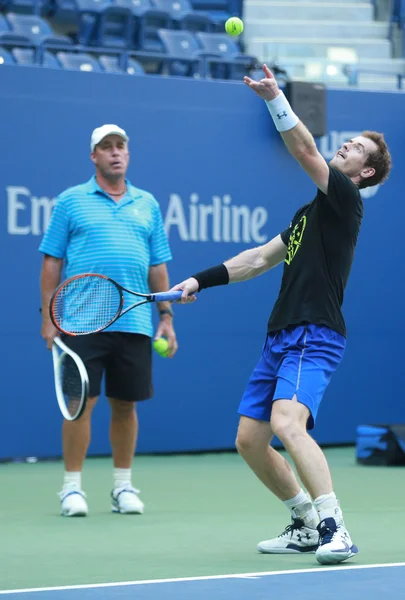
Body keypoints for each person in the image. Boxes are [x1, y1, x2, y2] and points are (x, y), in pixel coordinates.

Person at [170, 66, 392, 565]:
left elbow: (305, 151)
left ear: (366, 172)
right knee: (250, 440)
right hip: (280, 336)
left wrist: (275, 99)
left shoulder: (345, 199)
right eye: (350, 142)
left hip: (315, 332)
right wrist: (197, 280)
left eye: (356, 148)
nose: (346, 147)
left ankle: (336, 526)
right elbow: (256, 260)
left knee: (288, 423)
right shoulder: (306, 215)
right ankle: (305, 522)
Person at [39, 124, 177, 517]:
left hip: (134, 322)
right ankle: (71, 489)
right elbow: (52, 260)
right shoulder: (71, 201)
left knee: (125, 406)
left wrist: (165, 316)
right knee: (79, 405)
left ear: (128, 155)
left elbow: (157, 265)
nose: (115, 153)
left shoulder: (147, 203)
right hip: (81, 322)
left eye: (121, 147)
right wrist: (49, 316)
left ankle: (122, 487)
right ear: (94, 156)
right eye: (107, 147)